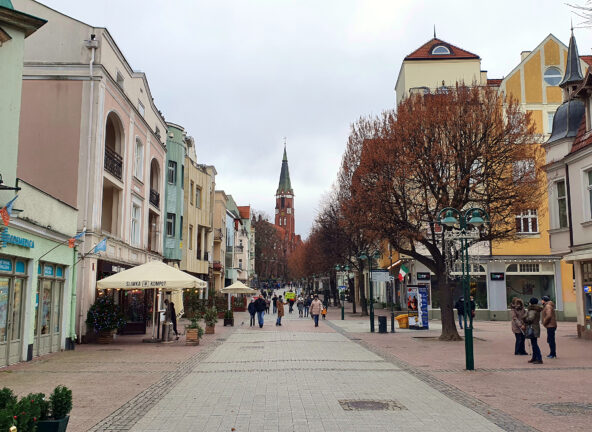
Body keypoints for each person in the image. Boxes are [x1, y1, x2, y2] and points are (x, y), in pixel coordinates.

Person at [523, 297, 543, 364]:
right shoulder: (537, 309)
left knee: (534, 344)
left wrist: (525, 319)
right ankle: (534, 358)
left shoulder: (532, 310)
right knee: (534, 343)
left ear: (530, 302)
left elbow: (530, 319)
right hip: (536, 327)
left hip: (532, 328)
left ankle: (539, 358)